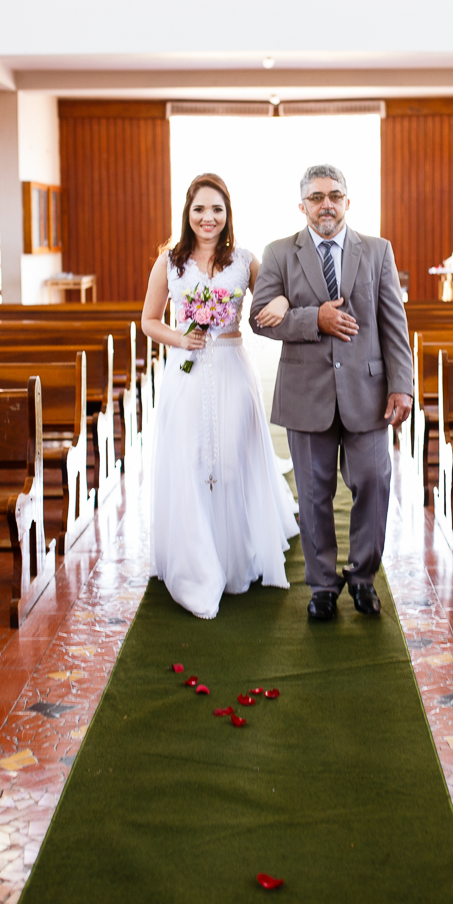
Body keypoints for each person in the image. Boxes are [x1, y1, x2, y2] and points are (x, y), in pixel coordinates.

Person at [250, 164, 413, 622]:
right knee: (314, 494)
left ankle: (362, 578)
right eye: (317, 196)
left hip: (368, 391)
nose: (326, 204)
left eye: (334, 195)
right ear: (301, 205)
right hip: (307, 394)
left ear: (347, 201)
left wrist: (402, 384)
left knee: (374, 485)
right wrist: (312, 319)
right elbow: (259, 318)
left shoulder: (378, 251)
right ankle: (322, 586)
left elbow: (393, 326)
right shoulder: (280, 253)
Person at [142, 172, 299, 620]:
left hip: (231, 367)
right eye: (199, 209)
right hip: (186, 375)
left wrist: (284, 305)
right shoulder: (169, 264)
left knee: (232, 460)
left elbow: (275, 296)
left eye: (216, 209)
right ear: (187, 214)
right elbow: (148, 320)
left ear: (227, 214)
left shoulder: (244, 261)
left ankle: (235, 558)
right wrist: (179, 337)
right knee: (190, 460)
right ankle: (196, 565)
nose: (208, 218)